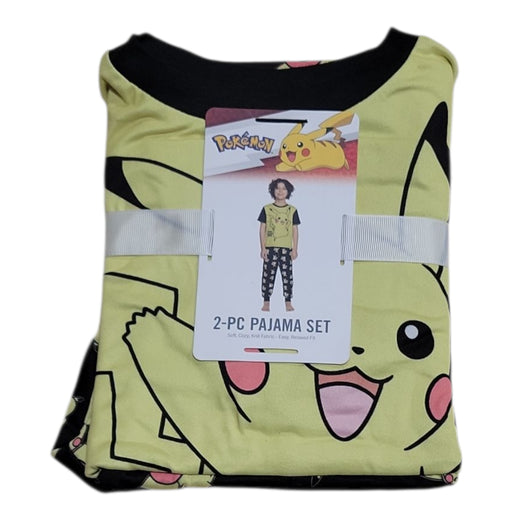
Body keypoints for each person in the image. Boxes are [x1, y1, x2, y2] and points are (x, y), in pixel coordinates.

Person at [258, 178, 300, 312]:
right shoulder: (267, 209)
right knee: (267, 275)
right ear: (273, 190)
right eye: (277, 188)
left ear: (288, 191)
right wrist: (263, 248)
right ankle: (266, 301)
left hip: (286, 249)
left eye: (284, 189)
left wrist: (295, 249)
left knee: (287, 276)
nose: (280, 191)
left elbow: (295, 230)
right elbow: (262, 229)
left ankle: (288, 301)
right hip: (270, 248)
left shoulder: (292, 210)